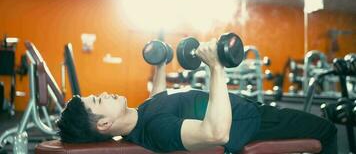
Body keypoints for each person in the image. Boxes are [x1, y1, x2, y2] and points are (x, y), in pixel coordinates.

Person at [57, 39, 337, 153]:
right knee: (327, 129)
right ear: (104, 125)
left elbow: (159, 99)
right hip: (256, 122)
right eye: (97, 101)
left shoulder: (142, 117)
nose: (103, 94)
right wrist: (216, 66)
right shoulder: (156, 127)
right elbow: (216, 134)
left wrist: (160, 64)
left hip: (251, 113)